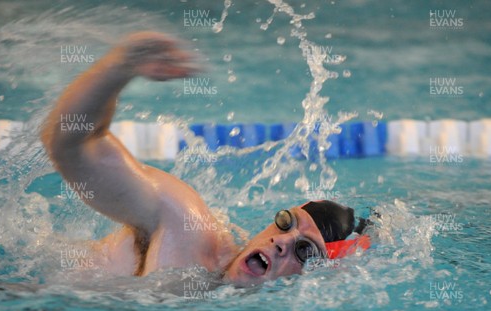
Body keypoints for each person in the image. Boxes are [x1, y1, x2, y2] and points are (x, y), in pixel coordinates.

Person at [40, 32, 370, 287]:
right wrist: (119, 67)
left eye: (305, 251)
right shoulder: (184, 227)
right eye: (287, 222)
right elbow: (73, 145)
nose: (281, 241)